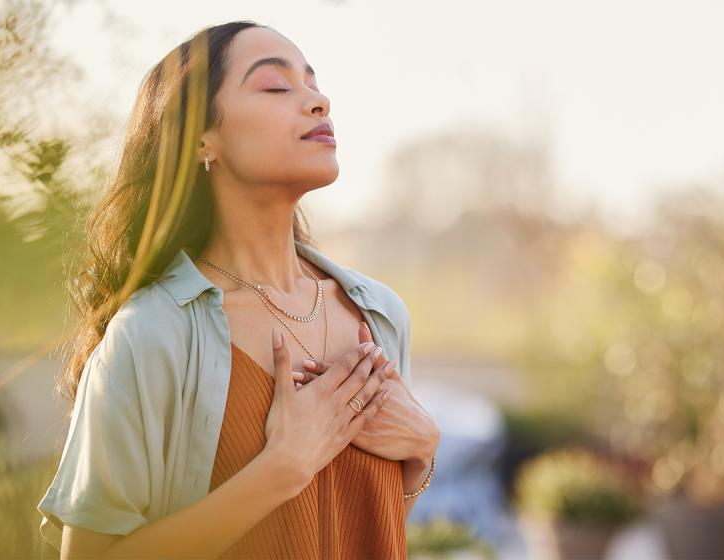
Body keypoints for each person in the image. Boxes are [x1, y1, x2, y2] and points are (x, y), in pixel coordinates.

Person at [36, 20, 440, 559]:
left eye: (314, 84)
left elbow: (363, 526)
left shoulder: (381, 314)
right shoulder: (152, 333)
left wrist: (421, 456)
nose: (318, 101)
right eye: (276, 86)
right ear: (203, 139)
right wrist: (281, 469)